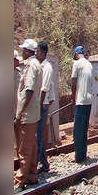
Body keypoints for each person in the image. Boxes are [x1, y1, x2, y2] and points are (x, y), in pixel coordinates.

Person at [14, 39, 42, 192]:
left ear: (28, 51)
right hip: (33, 113)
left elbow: (29, 90)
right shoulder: (36, 64)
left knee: (24, 148)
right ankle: (32, 175)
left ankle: (20, 181)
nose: (22, 52)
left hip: (27, 113)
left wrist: (20, 112)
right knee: (31, 145)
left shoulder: (31, 66)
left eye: (23, 50)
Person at [71, 45, 93, 163]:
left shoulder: (77, 63)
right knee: (84, 129)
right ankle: (83, 154)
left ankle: (79, 157)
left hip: (81, 100)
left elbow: (73, 82)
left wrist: (72, 98)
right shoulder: (89, 64)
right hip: (89, 100)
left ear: (76, 54)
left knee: (77, 130)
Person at [36, 41, 55, 173]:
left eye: (37, 51)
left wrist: (39, 104)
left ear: (43, 52)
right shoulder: (40, 66)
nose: (36, 53)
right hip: (40, 103)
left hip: (42, 104)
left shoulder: (47, 67)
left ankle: (43, 162)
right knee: (38, 134)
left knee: (39, 133)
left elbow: (44, 88)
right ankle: (41, 161)